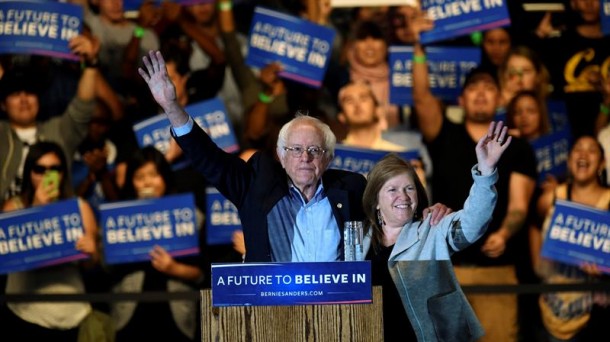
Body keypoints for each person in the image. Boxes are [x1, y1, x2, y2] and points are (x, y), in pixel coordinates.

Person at [137, 50, 449, 262]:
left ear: (327, 157)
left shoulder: (352, 188)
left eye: (314, 150)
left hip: (343, 315)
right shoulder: (256, 184)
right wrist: (171, 108)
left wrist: (425, 214)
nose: (304, 157)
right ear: (281, 155)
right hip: (274, 313)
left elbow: (394, 217)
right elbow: (210, 159)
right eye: (295, 149)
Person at [408, 8, 538, 342]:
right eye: (474, 88)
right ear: (462, 99)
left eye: (488, 87)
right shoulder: (444, 134)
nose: (481, 92)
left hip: (500, 266)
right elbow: (422, 98)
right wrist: (418, 46)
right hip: (450, 265)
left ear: (500, 98)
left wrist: (505, 234)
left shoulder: (518, 147)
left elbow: (521, 204)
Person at [363, 121, 511, 342]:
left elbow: (473, 221)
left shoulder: (432, 228)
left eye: (409, 188)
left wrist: (485, 171)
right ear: (375, 201)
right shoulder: (357, 240)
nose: (402, 196)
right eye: (392, 189)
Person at [1, 141, 106, 341]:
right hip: (25, 313)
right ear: (29, 173)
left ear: (63, 173)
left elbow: (91, 264)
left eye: (54, 169)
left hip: (72, 313)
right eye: (39, 169)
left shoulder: (79, 207)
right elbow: (7, 256)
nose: (46, 176)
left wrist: (92, 251)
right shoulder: (13, 207)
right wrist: (38, 209)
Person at [109, 146, 205, 342]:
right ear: (131, 183)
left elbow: (203, 274)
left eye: (153, 175)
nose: (147, 182)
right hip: (130, 317)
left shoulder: (191, 217)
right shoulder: (117, 219)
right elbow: (105, 268)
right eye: (139, 177)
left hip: (176, 317)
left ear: (165, 178)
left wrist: (174, 268)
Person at [532, 135, 610, 342]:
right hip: (549, 307)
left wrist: (603, 271)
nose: (583, 154)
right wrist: (537, 263)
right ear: (569, 160)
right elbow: (532, 224)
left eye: (591, 150)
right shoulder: (552, 197)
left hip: (596, 317)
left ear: (602, 164)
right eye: (578, 149)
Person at [0, 49, 98, 207]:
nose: (24, 99)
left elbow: (83, 107)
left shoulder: (59, 129)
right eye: (15, 94)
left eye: (30, 92)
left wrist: (92, 63)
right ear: (3, 105)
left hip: (56, 217)